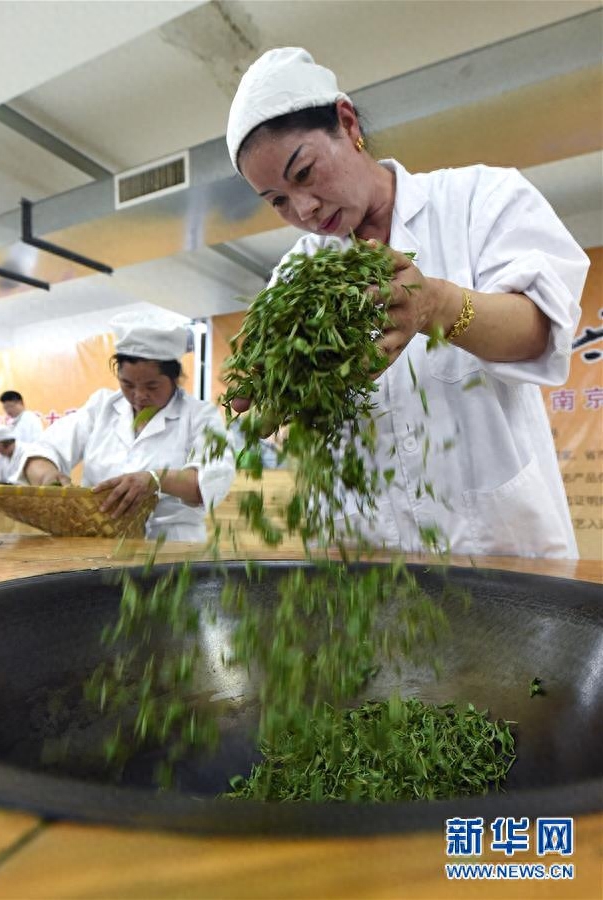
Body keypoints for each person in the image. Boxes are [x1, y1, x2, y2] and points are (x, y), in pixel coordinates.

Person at [225, 47, 590, 558]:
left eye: (304, 173)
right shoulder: (295, 276)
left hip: (501, 558)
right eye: (278, 201)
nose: (303, 209)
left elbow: (537, 330)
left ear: (346, 122)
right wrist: (276, 403)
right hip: (365, 567)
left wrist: (434, 305)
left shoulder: (479, 199)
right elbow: (281, 425)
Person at [14, 312, 236, 541]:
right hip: (100, 542)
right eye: (127, 384)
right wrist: (48, 476)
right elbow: (40, 453)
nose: (139, 396)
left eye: (152, 386)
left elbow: (209, 480)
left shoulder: (200, 416)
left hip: (171, 548)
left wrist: (156, 479)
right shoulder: (102, 407)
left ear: (175, 378)